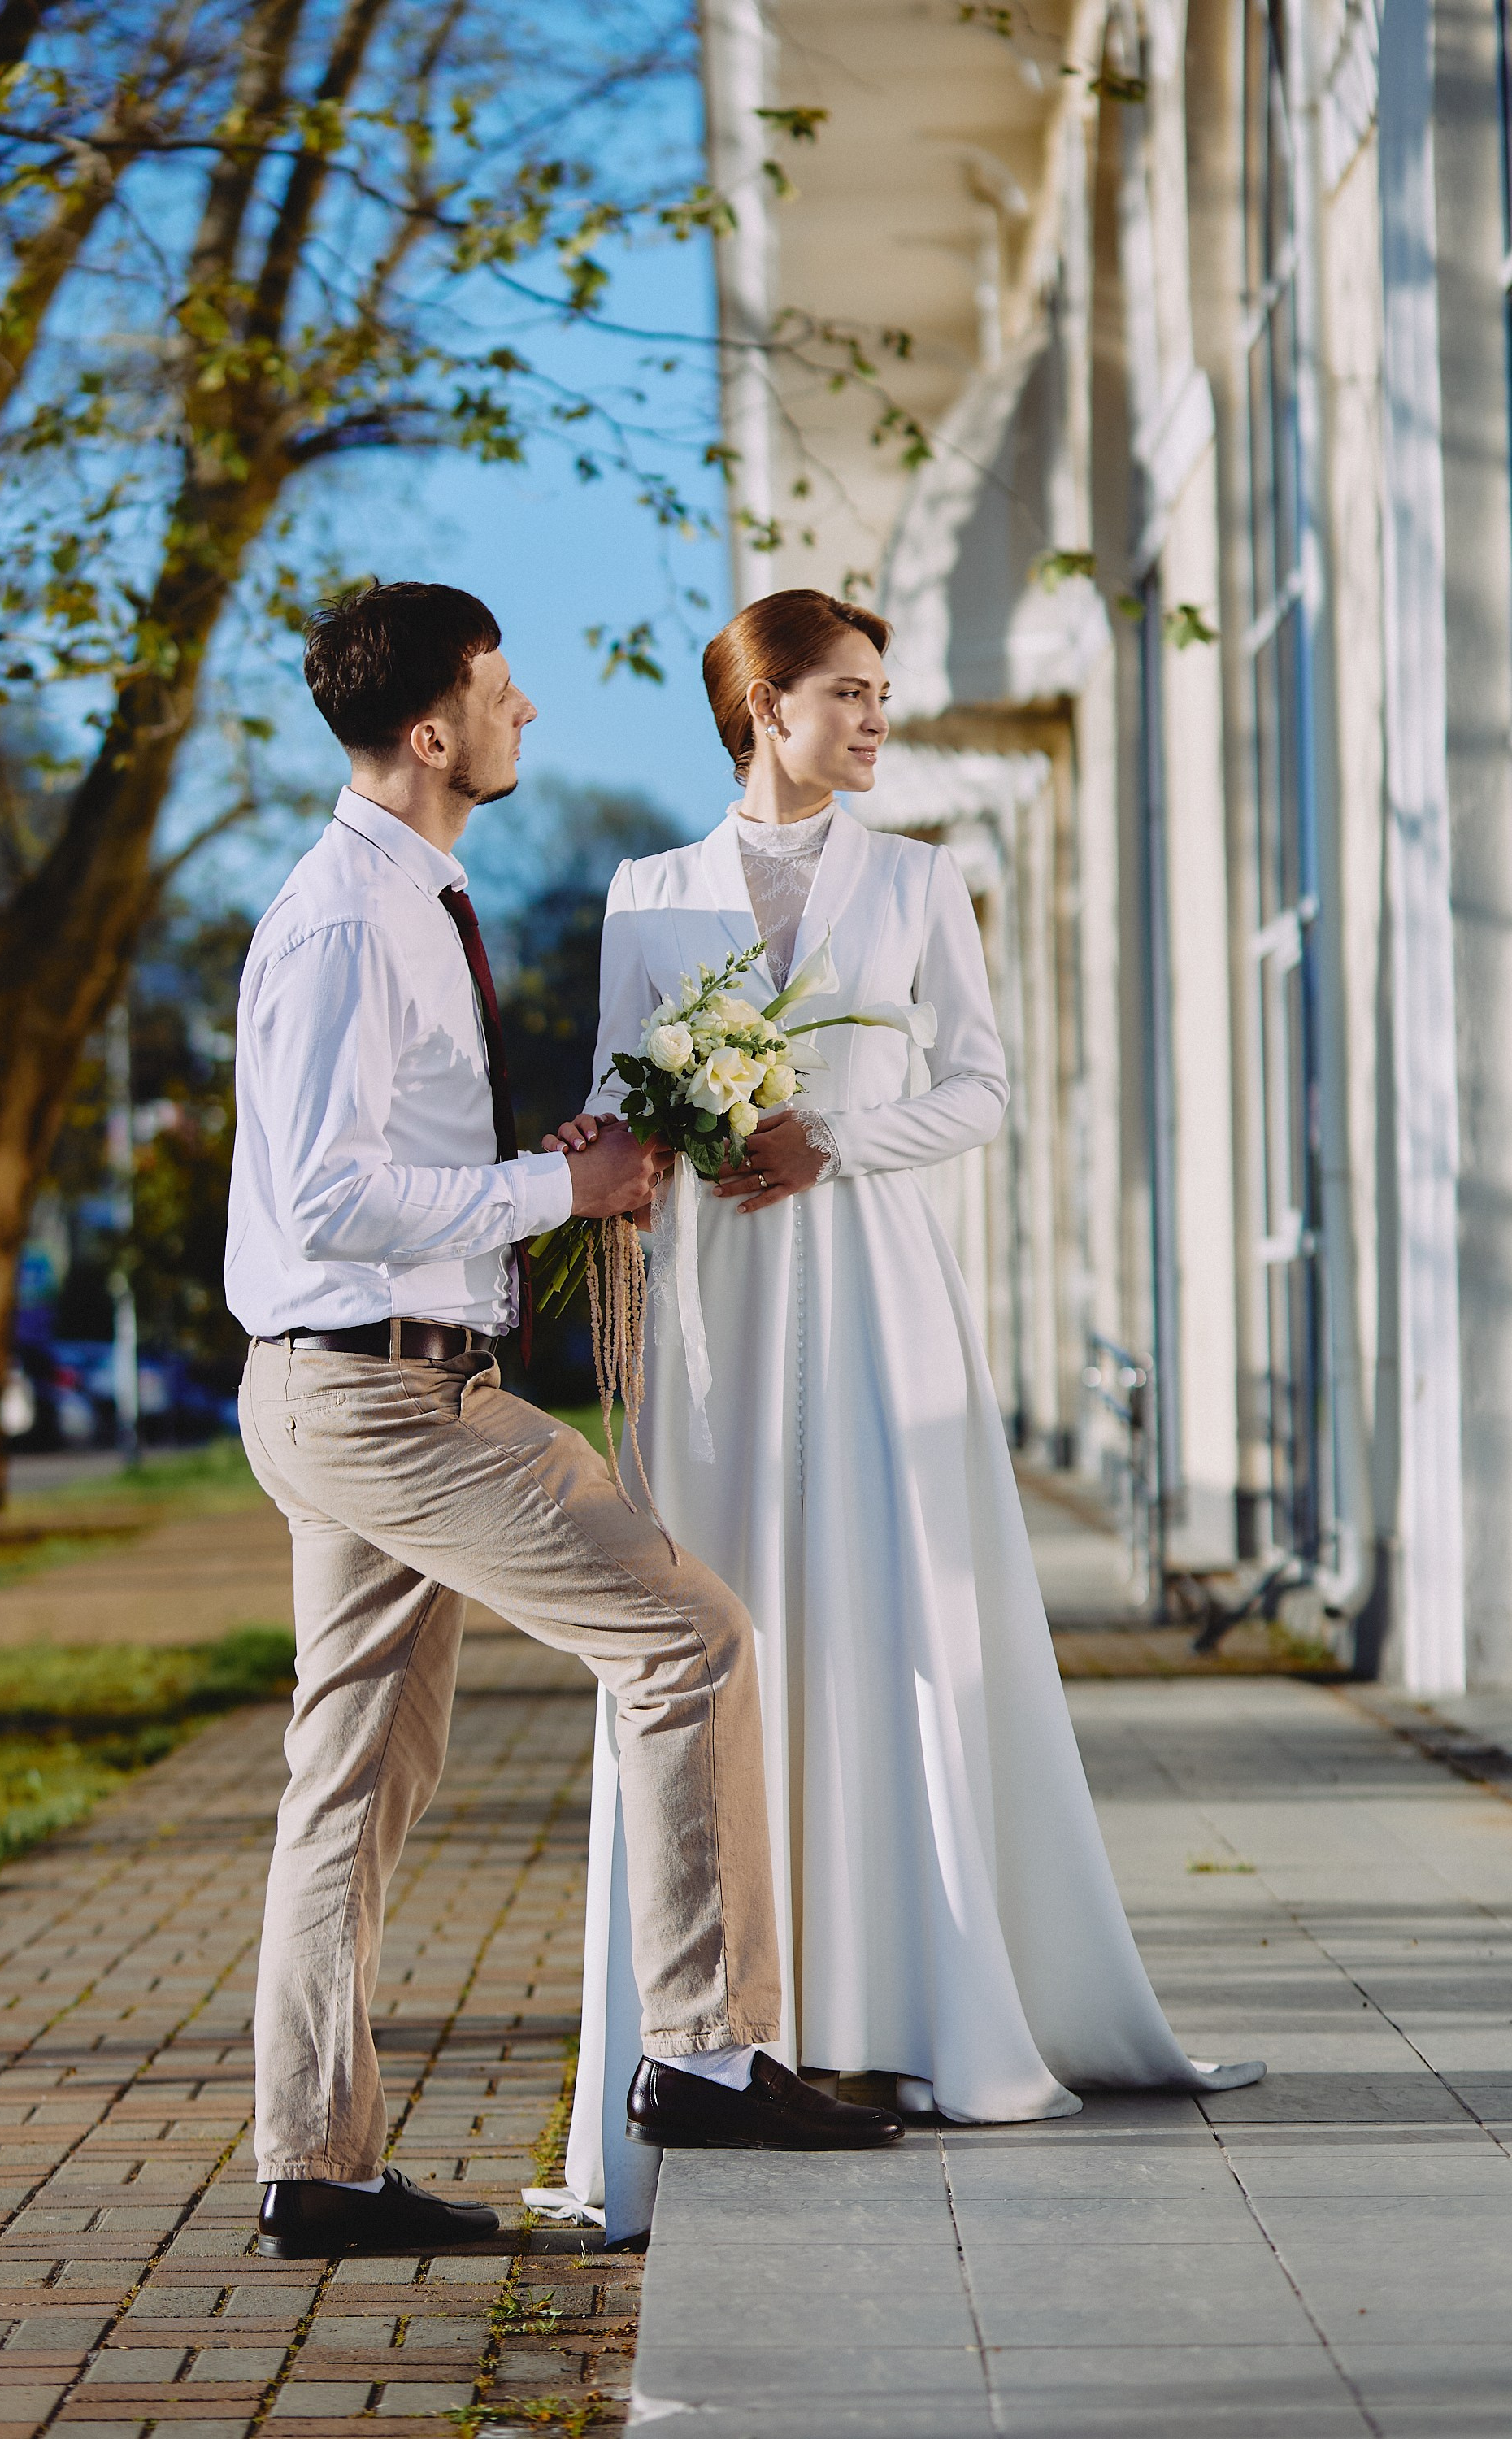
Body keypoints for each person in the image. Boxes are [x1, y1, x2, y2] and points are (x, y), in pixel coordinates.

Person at [552, 587, 1264, 2241]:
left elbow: (982, 1082)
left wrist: (838, 1141)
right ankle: (737, 2021)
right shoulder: (646, 889)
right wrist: (648, 1138)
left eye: (882, 695)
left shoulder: (925, 877)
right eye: (848, 694)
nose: (876, 720)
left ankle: (916, 2003)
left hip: (873, 1284)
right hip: (715, 1302)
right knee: (715, 1624)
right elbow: (607, 1078)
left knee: (893, 1617)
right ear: (762, 707)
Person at [224, 580, 903, 2263]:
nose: (529, 717)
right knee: (689, 1638)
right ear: (436, 731)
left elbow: (392, 1156)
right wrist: (559, 1181)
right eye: (504, 692)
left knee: (354, 1780)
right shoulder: (344, 921)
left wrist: (562, 1162)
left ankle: (315, 2168)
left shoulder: (402, 897)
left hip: (373, 1379)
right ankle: (703, 2051)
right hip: (379, 1391)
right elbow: (322, 1198)